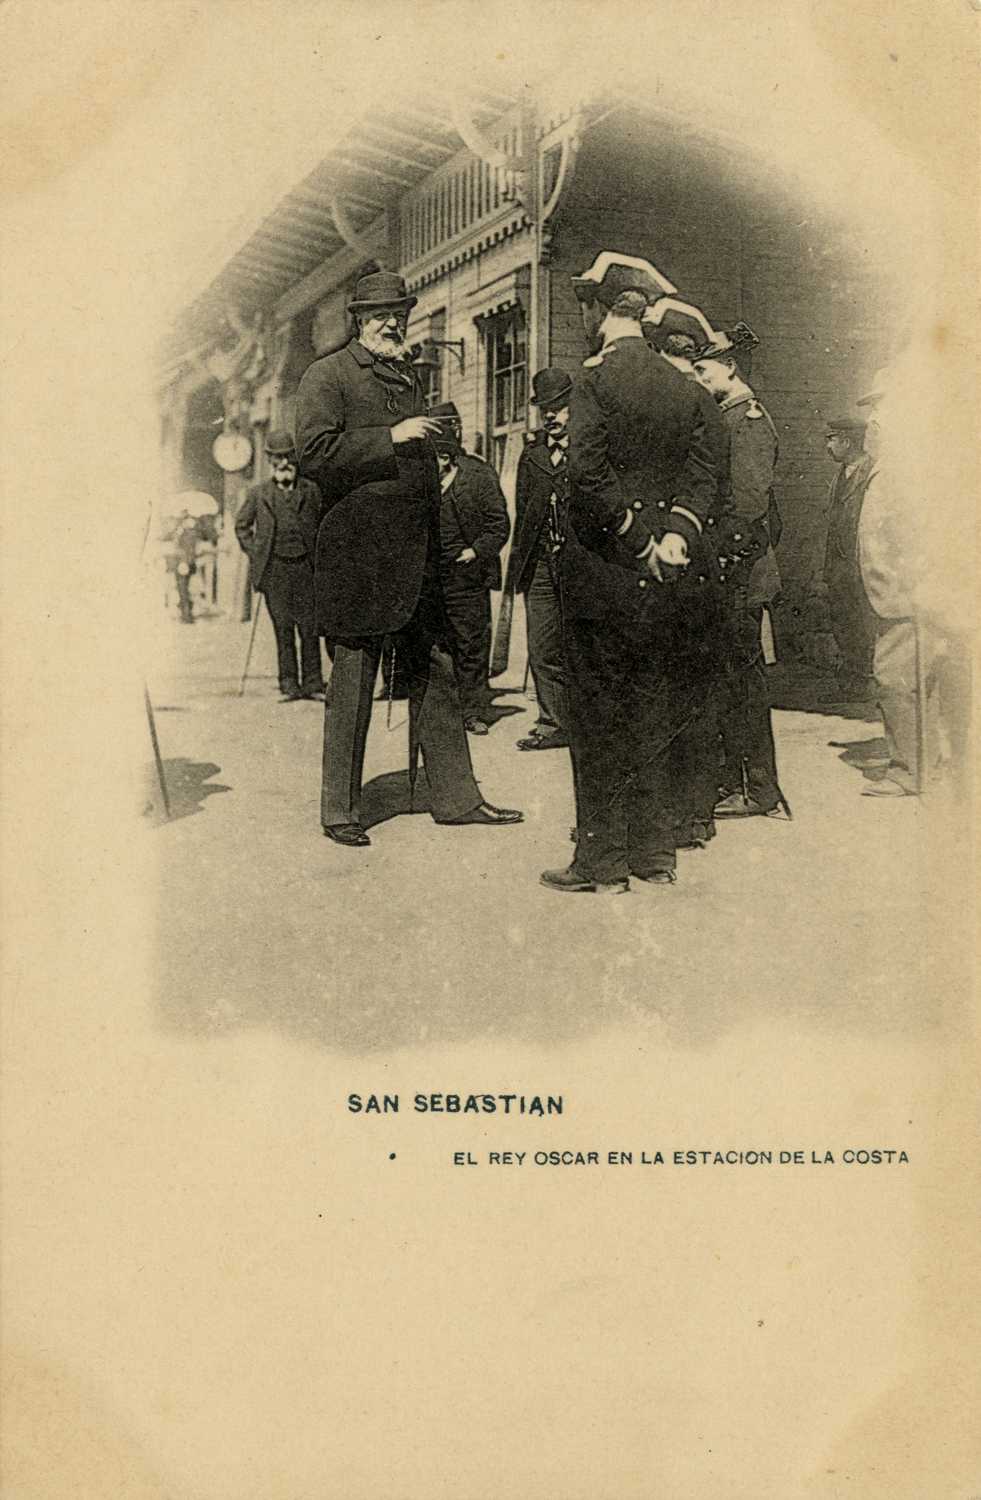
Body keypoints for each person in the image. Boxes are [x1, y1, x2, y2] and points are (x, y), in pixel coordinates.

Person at [293, 270, 522, 847]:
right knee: (354, 684)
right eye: (381, 315)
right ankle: (340, 811)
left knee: (437, 674)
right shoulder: (328, 374)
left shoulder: (405, 374)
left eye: (400, 314)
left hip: (418, 559)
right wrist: (390, 438)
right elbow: (313, 453)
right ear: (359, 322)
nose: (393, 323)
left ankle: (457, 798)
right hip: (361, 560)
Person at [540, 252, 721, 893]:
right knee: (651, 707)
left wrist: (635, 538)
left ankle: (602, 864)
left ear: (597, 310)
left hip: (603, 574)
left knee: (596, 716)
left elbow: (586, 474)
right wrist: (674, 536)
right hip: (666, 576)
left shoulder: (592, 382)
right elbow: (706, 474)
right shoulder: (686, 388)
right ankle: (655, 856)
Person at [691, 324, 788, 818]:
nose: (698, 378)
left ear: (729, 367)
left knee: (744, 684)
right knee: (727, 680)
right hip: (730, 571)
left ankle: (758, 790)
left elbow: (749, 505)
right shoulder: (726, 416)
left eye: (703, 369)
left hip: (740, 573)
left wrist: (721, 560)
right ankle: (733, 781)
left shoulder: (747, 420)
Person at [502, 368, 574, 751]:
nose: (550, 415)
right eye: (545, 408)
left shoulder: (589, 452)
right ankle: (552, 723)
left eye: (558, 406)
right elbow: (522, 512)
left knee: (580, 644)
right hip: (541, 565)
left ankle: (586, 723)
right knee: (543, 647)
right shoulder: (532, 456)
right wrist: (518, 568)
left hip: (580, 564)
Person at [429, 401, 510, 736]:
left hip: (468, 576)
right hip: (434, 578)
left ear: (446, 458)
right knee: (438, 645)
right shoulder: (423, 486)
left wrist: (475, 551)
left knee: (471, 644)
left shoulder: (478, 477)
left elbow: (499, 525)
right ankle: (444, 711)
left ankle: (474, 711)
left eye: (433, 458)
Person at [234, 430, 326, 701]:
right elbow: (241, 526)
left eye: (288, 457)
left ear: (295, 459)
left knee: (309, 628)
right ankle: (288, 684)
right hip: (275, 571)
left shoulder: (311, 490)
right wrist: (257, 552)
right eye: (278, 458)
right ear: (270, 461)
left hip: (306, 569)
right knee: (283, 628)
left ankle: (313, 684)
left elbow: (324, 523)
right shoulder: (258, 494)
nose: (284, 463)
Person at [821, 416, 877, 698]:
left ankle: (863, 683)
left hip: (859, 564)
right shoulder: (840, 475)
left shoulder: (871, 473)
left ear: (847, 441)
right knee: (843, 622)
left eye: (831, 439)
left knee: (862, 624)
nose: (828, 446)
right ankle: (851, 683)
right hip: (839, 566)